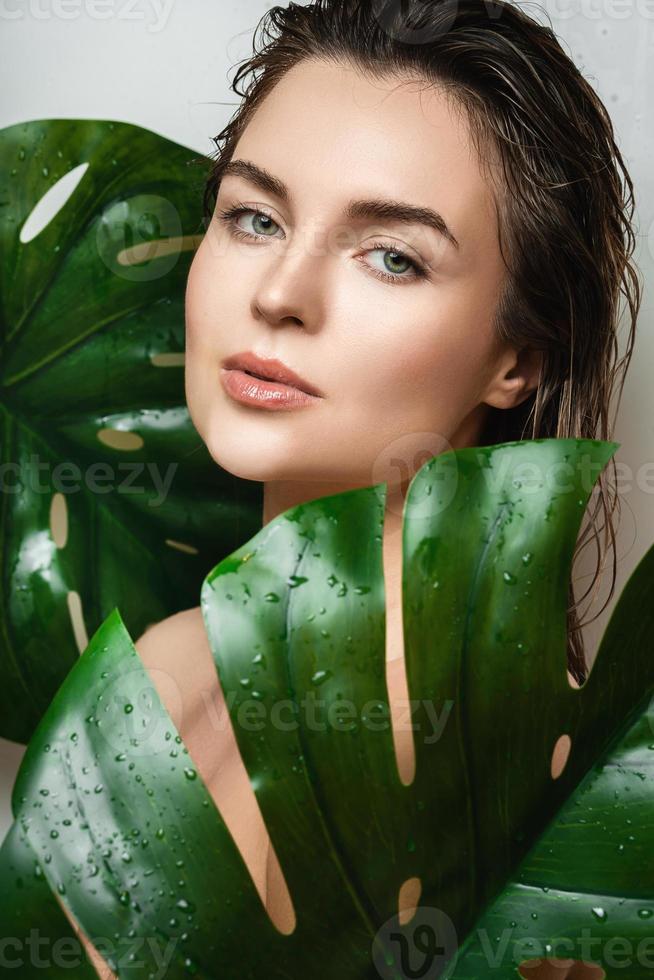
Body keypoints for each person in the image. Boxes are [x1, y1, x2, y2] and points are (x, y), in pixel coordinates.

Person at [63, 0, 641, 975]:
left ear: (518, 358)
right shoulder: (164, 665)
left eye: (392, 256)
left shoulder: (538, 796)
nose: (282, 291)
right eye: (256, 216)